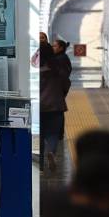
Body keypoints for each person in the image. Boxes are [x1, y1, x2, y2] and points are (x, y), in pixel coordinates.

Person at [39, 34, 68, 172]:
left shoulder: (34, 69)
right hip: (55, 105)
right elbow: (65, 84)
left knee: (40, 134)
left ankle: (40, 160)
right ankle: (51, 151)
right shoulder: (57, 69)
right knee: (53, 133)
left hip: (38, 107)